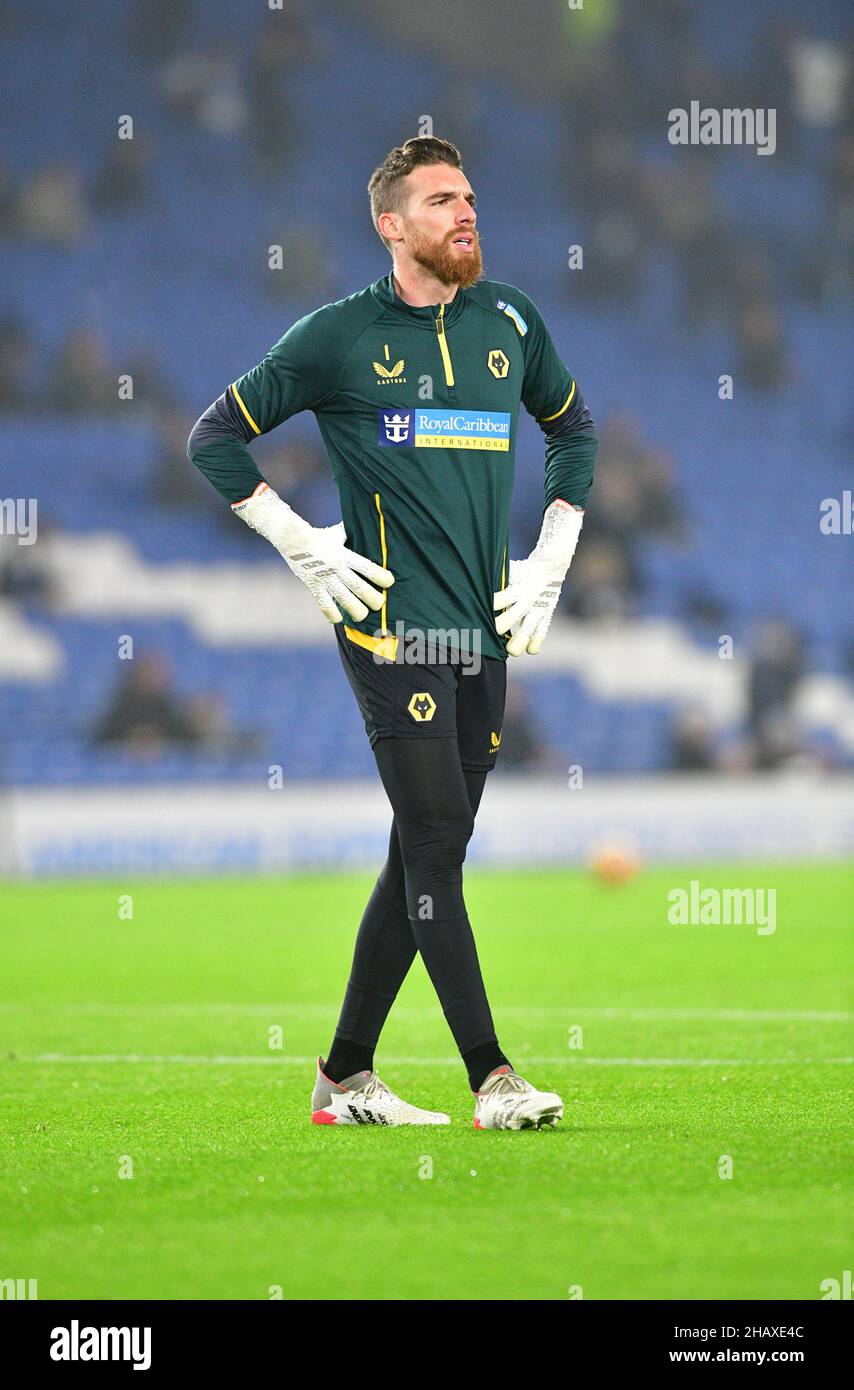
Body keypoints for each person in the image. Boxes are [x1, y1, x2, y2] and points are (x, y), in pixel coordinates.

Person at [187, 136, 597, 1129]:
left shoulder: (509, 320)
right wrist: (299, 543)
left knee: (424, 850)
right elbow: (213, 437)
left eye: (468, 197)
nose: (465, 214)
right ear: (391, 224)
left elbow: (573, 429)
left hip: (482, 631)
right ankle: (492, 1078)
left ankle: (343, 1076)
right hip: (389, 631)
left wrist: (550, 555)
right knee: (434, 843)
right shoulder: (335, 338)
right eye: (441, 201)